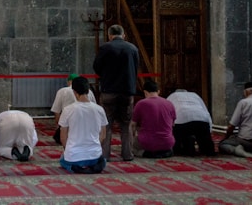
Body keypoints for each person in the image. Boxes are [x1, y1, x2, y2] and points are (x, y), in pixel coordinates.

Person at [93, 24, 139, 161]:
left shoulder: (105, 48)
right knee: (126, 124)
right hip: (127, 91)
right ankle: (127, 154)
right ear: (123, 35)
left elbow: (97, 67)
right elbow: (136, 68)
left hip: (109, 90)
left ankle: (105, 155)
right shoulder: (132, 48)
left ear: (109, 35)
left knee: (107, 124)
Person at [58, 76, 108, 174]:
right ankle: (96, 165)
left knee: (63, 159)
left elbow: (63, 137)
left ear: (74, 92)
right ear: (88, 90)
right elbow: (103, 135)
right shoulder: (99, 109)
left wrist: (68, 150)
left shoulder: (68, 110)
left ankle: (76, 167)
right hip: (95, 155)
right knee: (100, 159)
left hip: (74, 156)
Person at [130, 80, 176, 158]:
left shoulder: (141, 103)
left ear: (145, 92)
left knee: (133, 146)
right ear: (158, 91)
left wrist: (133, 137)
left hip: (148, 143)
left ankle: (145, 153)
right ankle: (165, 152)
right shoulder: (169, 103)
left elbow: (133, 125)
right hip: (167, 143)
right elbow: (172, 124)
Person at [166, 88, 216, 156]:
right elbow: (206, 112)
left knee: (176, 146)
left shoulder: (172, 96)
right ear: (186, 92)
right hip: (201, 120)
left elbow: (167, 113)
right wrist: (209, 130)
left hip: (182, 122)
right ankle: (207, 149)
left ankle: (184, 146)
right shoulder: (195, 95)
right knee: (207, 147)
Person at [50, 73, 97, 144]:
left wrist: (59, 127)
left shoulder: (63, 91)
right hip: (86, 127)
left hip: (68, 126)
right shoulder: (89, 92)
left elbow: (56, 111)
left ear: (69, 82)